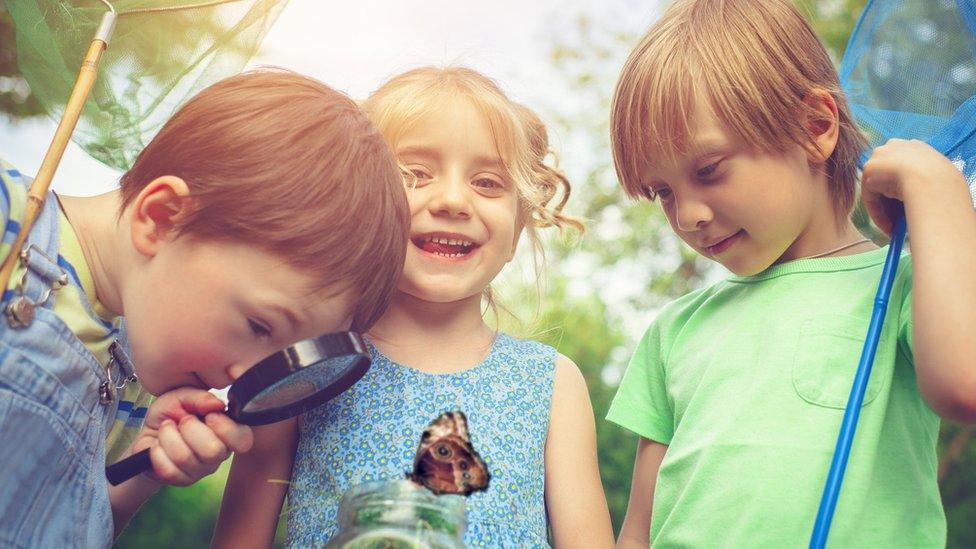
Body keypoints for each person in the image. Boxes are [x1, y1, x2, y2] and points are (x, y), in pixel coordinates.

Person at [606, 0, 976, 546]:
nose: (687, 216)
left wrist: (938, 191)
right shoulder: (673, 331)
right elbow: (639, 528)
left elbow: (964, 385)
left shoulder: (902, 287)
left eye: (708, 170)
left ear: (815, 126)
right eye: (663, 192)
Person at [0, 68, 408, 547]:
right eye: (259, 326)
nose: (241, 374)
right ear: (162, 219)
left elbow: (55, 528)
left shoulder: (139, 376)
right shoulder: (12, 223)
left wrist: (142, 471)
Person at [213, 66, 615, 548]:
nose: (452, 200)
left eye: (488, 182)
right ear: (359, 202)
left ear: (520, 226)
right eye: (413, 175)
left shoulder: (552, 383)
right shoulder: (309, 365)